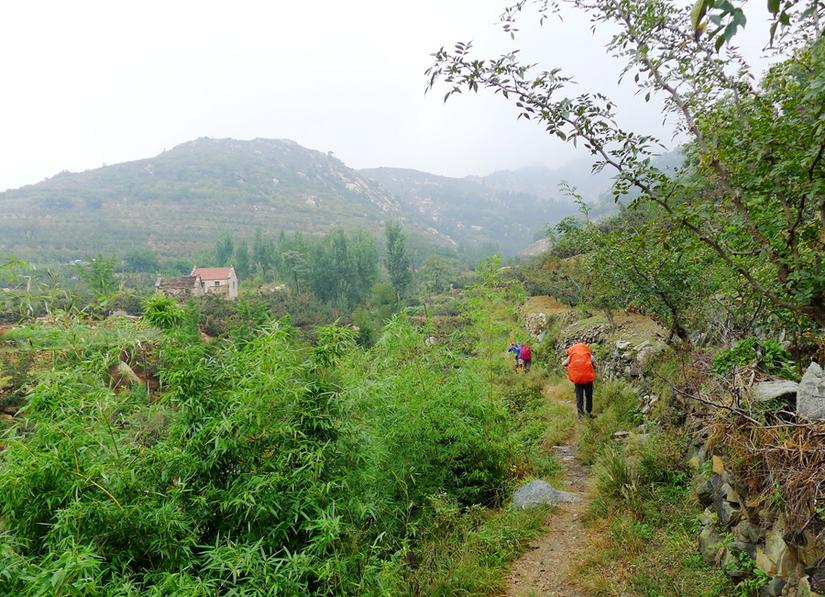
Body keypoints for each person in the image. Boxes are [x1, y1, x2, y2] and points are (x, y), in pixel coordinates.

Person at [563, 342, 596, 418]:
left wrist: (571, 366)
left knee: (579, 397)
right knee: (589, 396)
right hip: (588, 379)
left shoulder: (572, 355)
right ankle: (589, 413)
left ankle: (580, 415)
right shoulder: (588, 355)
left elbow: (564, 363)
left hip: (578, 379)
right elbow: (595, 365)